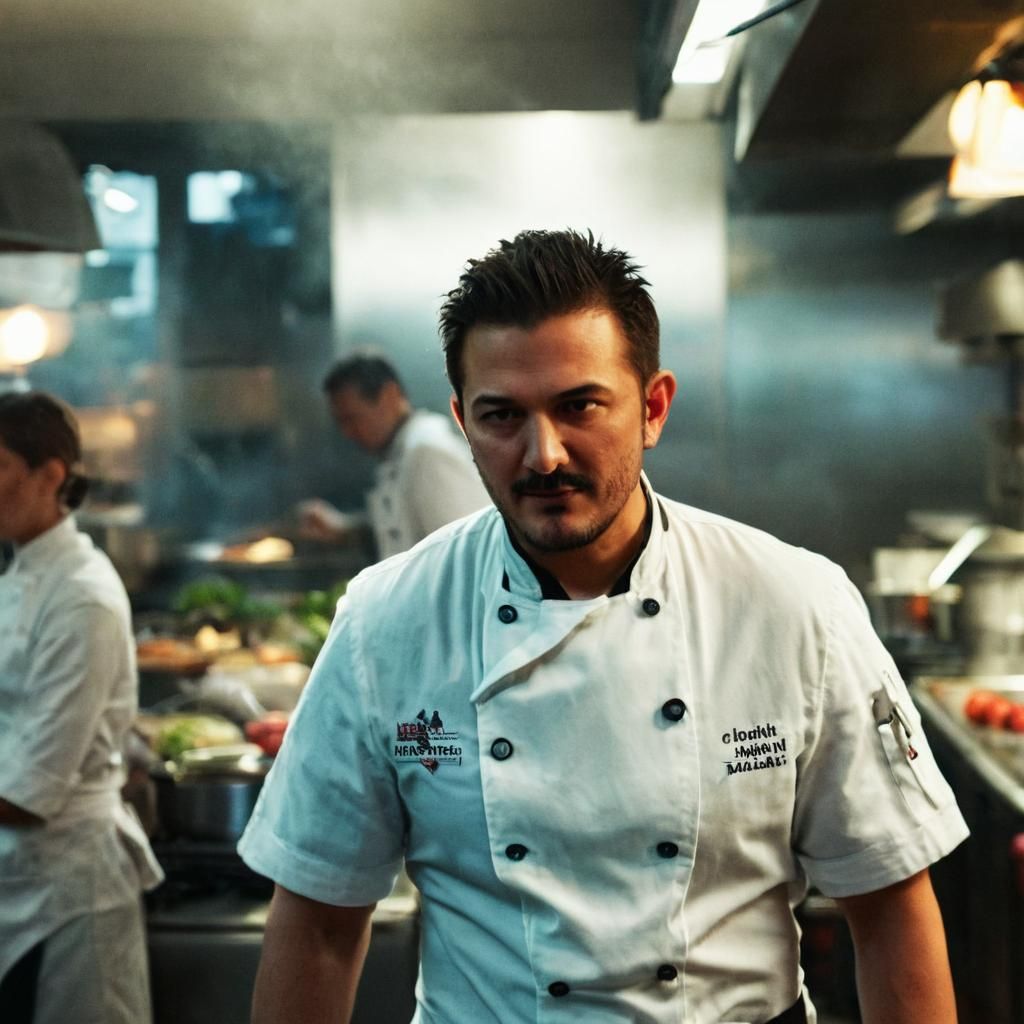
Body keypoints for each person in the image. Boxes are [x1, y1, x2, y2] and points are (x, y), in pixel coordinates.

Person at [239, 229, 967, 1024]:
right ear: (461, 421)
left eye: (579, 405)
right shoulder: (386, 621)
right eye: (502, 416)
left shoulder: (794, 603)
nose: (542, 454)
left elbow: (889, 903)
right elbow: (316, 925)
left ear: (652, 407)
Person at [0, 391, 163, 1024]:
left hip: (67, 892)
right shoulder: (19, 575)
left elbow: (30, 789)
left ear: (51, 476)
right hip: (20, 881)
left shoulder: (82, 598)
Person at [298, 351, 490, 560]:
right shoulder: (403, 453)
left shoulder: (427, 452)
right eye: (341, 423)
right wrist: (344, 530)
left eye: (352, 419)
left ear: (390, 395)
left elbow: (468, 553)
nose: (348, 433)